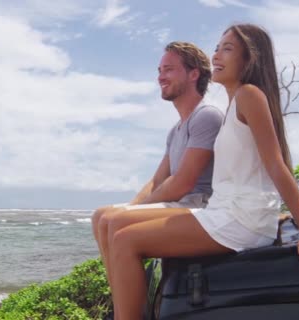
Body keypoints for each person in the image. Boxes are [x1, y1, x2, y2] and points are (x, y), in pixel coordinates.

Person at [106, 24, 299, 319]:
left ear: (249, 58)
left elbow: (275, 164)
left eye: (227, 49)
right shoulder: (233, 103)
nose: (216, 55)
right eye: (217, 47)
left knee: (126, 240)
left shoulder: (249, 95)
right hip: (224, 212)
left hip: (240, 219)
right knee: (120, 232)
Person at [91, 41, 224, 305]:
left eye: (169, 69)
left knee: (114, 221)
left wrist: (130, 214)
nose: (160, 76)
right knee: (101, 216)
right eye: (160, 70)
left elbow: (183, 183)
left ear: (193, 73)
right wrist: (133, 207)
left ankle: (129, 309)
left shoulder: (206, 116)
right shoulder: (175, 130)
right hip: (180, 203)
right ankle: (123, 301)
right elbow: (158, 179)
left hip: (201, 206)